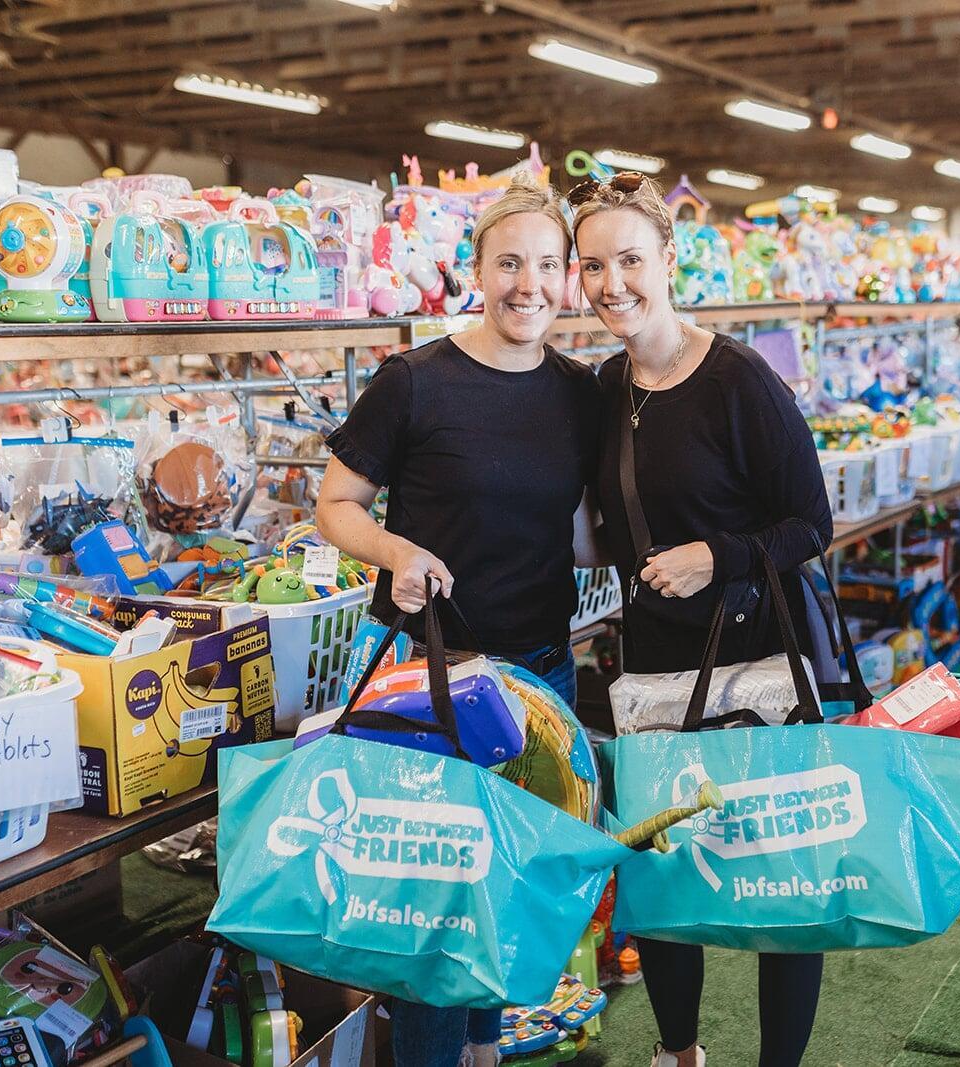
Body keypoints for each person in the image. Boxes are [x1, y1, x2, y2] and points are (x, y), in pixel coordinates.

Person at [315, 176, 601, 1067]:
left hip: (541, 675)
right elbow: (337, 503)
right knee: (435, 908)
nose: (528, 283)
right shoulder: (416, 380)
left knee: (505, 885)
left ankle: (484, 1051)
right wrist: (397, 553)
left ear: (567, 280)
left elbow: (590, 527)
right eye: (509, 261)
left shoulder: (581, 392)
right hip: (430, 677)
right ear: (473, 269)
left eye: (546, 266)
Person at [570, 172, 832, 1067]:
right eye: (594, 264)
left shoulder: (739, 381)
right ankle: (677, 1052)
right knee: (664, 866)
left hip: (757, 657)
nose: (613, 284)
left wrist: (714, 555)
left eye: (631, 259)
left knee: (779, 878)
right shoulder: (605, 388)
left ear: (669, 259)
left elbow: (810, 523)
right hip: (651, 664)